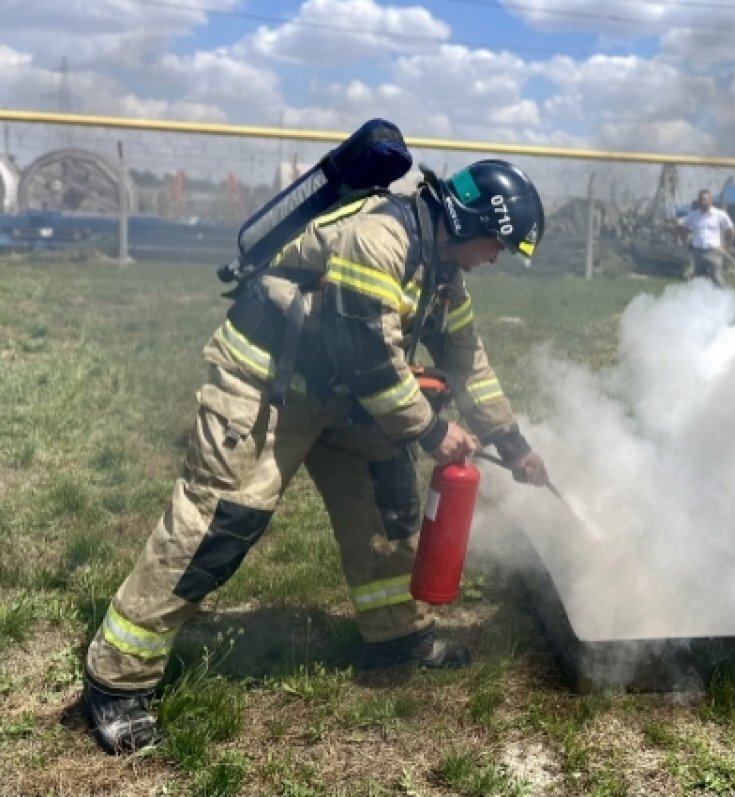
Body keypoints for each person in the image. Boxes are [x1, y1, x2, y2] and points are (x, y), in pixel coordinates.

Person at [80, 159, 549, 755]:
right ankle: (116, 676)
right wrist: (432, 432)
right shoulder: (380, 239)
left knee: (388, 505)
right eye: (499, 244)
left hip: (341, 397)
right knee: (219, 522)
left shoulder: (444, 274)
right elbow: (369, 358)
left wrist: (515, 445)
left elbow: (468, 360)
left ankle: (395, 636)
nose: (497, 257)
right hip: (264, 386)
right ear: (472, 222)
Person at [676, 189, 735, 287]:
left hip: (714, 252)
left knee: (715, 277)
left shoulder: (719, 214)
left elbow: (731, 230)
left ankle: (722, 298)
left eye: (705, 199)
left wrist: (726, 247)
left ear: (710, 200)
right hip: (698, 252)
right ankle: (703, 299)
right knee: (700, 278)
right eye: (700, 200)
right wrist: (683, 237)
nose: (703, 202)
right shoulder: (693, 215)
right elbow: (680, 225)